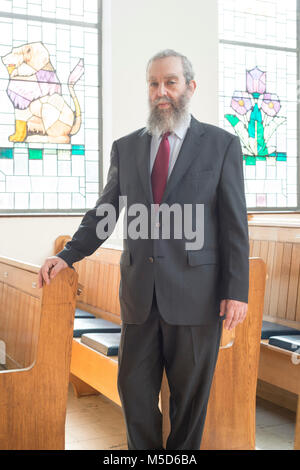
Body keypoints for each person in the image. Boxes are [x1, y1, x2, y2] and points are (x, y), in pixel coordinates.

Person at [38, 49, 249, 450]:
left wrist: (236, 290)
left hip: (197, 298)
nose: (161, 92)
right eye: (153, 83)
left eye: (170, 82)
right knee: (134, 395)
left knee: (189, 403)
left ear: (190, 86)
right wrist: (67, 255)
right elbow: (105, 211)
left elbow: (234, 224)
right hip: (139, 297)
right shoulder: (127, 147)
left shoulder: (222, 145)